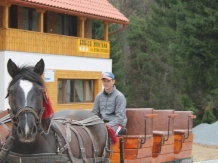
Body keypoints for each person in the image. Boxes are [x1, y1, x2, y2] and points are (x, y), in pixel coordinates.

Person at [92, 72, 127, 136]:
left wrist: (106, 125)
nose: (106, 83)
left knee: (106, 134)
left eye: (108, 81)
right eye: (104, 81)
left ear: (113, 81)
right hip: (103, 124)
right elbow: (95, 113)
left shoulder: (119, 97)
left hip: (117, 125)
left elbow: (119, 117)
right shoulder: (99, 96)